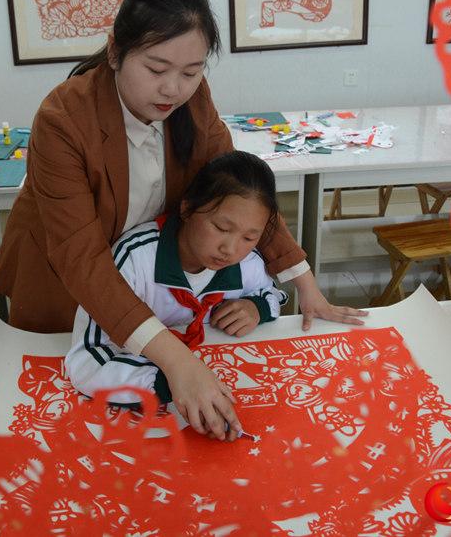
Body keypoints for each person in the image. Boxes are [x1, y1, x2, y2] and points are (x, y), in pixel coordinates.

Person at [0, 0, 366, 441]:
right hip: (63, 286)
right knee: (62, 425)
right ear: (114, 51)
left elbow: (239, 191)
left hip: (142, 282)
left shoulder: (192, 102)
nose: (173, 89)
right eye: (156, 69)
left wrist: (303, 282)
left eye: (191, 73)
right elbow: (80, 258)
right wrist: (175, 359)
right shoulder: (63, 119)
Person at [65, 151, 287, 440]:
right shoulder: (134, 258)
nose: (231, 249)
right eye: (221, 228)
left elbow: (275, 296)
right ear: (187, 209)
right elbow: (85, 362)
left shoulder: (245, 263)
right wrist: (170, 381)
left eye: (249, 237)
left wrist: (256, 307)